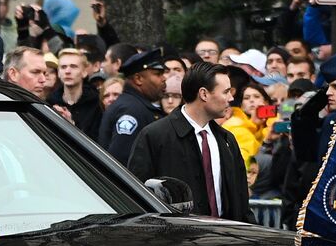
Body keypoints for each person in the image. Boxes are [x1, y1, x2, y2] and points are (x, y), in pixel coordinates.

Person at [129, 62, 254, 222]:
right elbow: (137, 197)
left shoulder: (227, 140)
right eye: (226, 92)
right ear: (204, 94)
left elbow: (241, 202)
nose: (231, 98)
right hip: (176, 241)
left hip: (225, 241)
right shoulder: (155, 136)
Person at [98, 49, 167, 165]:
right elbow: (121, 161)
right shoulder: (131, 111)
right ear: (138, 79)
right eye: (157, 74)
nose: (164, 78)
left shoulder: (136, 105)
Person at [49, 48, 102, 140]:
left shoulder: (96, 104)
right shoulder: (50, 102)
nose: (67, 71)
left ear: (84, 72)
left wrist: (72, 125)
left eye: (73, 66)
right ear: (58, 73)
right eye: (63, 67)